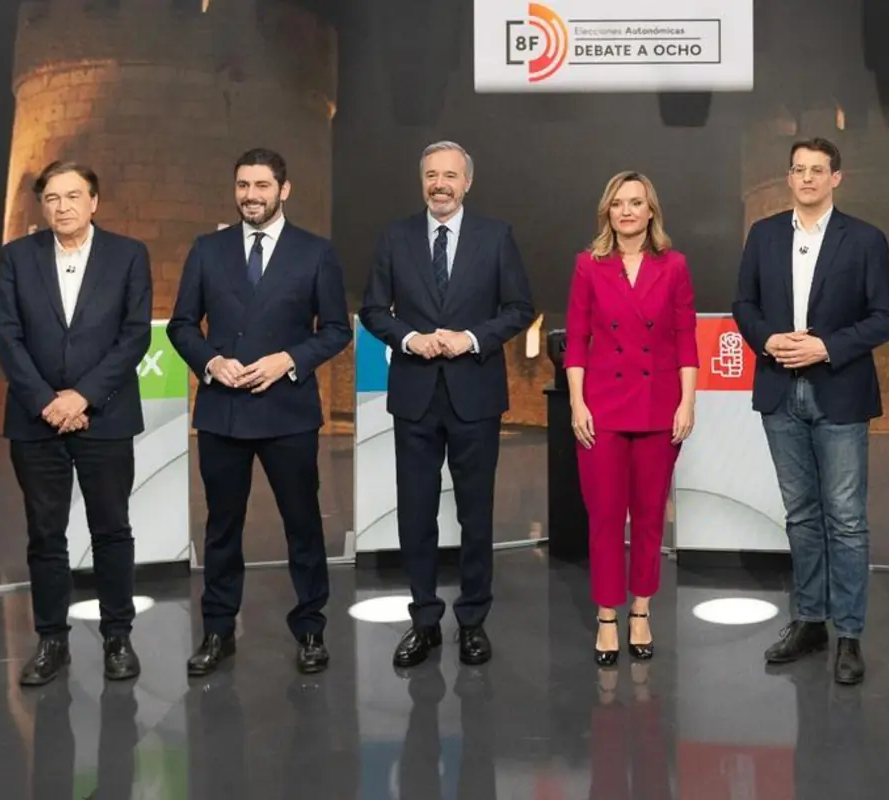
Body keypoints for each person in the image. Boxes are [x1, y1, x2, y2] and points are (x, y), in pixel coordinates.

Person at [167, 148, 352, 677]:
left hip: (288, 412)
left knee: (302, 526)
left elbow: (336, 330)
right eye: (243, 185)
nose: (251, 195)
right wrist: (210, 362)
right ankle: (218, 631)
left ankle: (311, 629)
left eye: (262, 186)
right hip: (222, 412)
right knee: (222, 527)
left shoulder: (315, 253)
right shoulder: (207, 250)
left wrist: (289, 360)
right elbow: (182, 325)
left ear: (283, 190)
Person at [359, 140, 535, 669]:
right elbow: (372, 309)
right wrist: (410, 339)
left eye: (450, 175)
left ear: (467, 182)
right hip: (414, 395)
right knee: (416, 514)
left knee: (475, 514)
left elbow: (519, 307)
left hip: (474, 394)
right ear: (422, 181)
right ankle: (425, 620)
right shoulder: (396, 236)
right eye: (432, 175)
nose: (440, 183)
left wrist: (472, 339)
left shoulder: (496, 236)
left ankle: (473, 620)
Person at [732, 137, 889, 685]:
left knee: (846, 519)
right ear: (789, 178)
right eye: (798, 169)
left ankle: (849, 631)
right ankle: (809, 620)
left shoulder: (866, 240)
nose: (806, 178)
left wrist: (826, 346)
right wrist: (768, 340)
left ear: (836, 179)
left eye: (817, 170)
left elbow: (885, 316)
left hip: (839, 390)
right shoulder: (763, 235)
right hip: (780, 391)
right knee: (801, 515)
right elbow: (744, 305)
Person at [0, 161, 152, 686]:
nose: (61, 206)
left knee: (111, 530)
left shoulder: (129, 255)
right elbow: (8, 337)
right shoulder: (18, 258)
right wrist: (47, 402)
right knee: (45, 535)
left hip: (104, 417)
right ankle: (51, 641)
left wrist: (82, 396)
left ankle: (117, 638)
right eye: (52, 198)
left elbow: (134, 337)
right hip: (34, 421)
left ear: (94, 201)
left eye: (72, 196)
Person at [563, 171, 698, 666]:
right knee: (603, 516)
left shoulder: (675, 265)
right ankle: (605, 615)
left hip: (660, 405)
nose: (626, 211)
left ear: (650, 212)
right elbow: (576, 339)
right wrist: (578, 403)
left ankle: (640, 610)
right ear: (608, 212)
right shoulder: (589, 266)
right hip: (601, 407)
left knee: (647, 516)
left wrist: (688, 402)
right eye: (618, 203)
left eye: (635, 203)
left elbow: (686, 337)